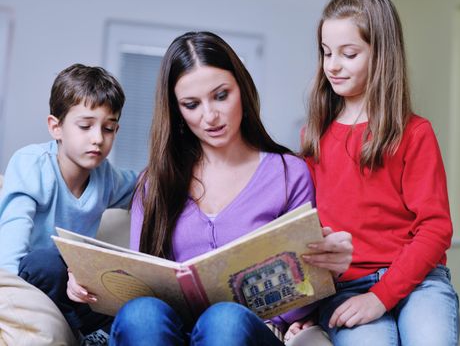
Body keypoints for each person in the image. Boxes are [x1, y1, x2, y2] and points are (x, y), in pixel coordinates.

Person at [66, 31, 352, 345]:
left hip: (248, 331)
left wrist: (328, 270)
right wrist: (89, 284)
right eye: (191, 104)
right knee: (141, 314)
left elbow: (301, 298)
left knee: (224, 319)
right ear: (177, 111)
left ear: (241, 89)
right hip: (169, 334)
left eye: (221, 95)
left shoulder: (288, 173)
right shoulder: (155, 181)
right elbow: (139, 285)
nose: (210, 116)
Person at [297, 0, 460, 345]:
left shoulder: (415, 133)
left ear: (381, 54)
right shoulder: (314, 137)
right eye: (326, 52)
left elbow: (435, 228)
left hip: (421, 281)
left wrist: (381, 296)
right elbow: (306, 234)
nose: (333, 66)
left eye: (349, 53)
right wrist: (303, 311)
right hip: (346, 288)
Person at [0, 64, 138, 342]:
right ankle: (87, 333)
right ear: (56, 127)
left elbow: (145, 185)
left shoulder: (106, 178)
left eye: (109, 128)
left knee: (130, 299)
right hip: (31, 276)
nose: (98, 138)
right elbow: (9, 253)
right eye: (85, 126)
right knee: (48, 261)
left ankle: (102, 334)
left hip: (77, 285)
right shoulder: (32, 164)